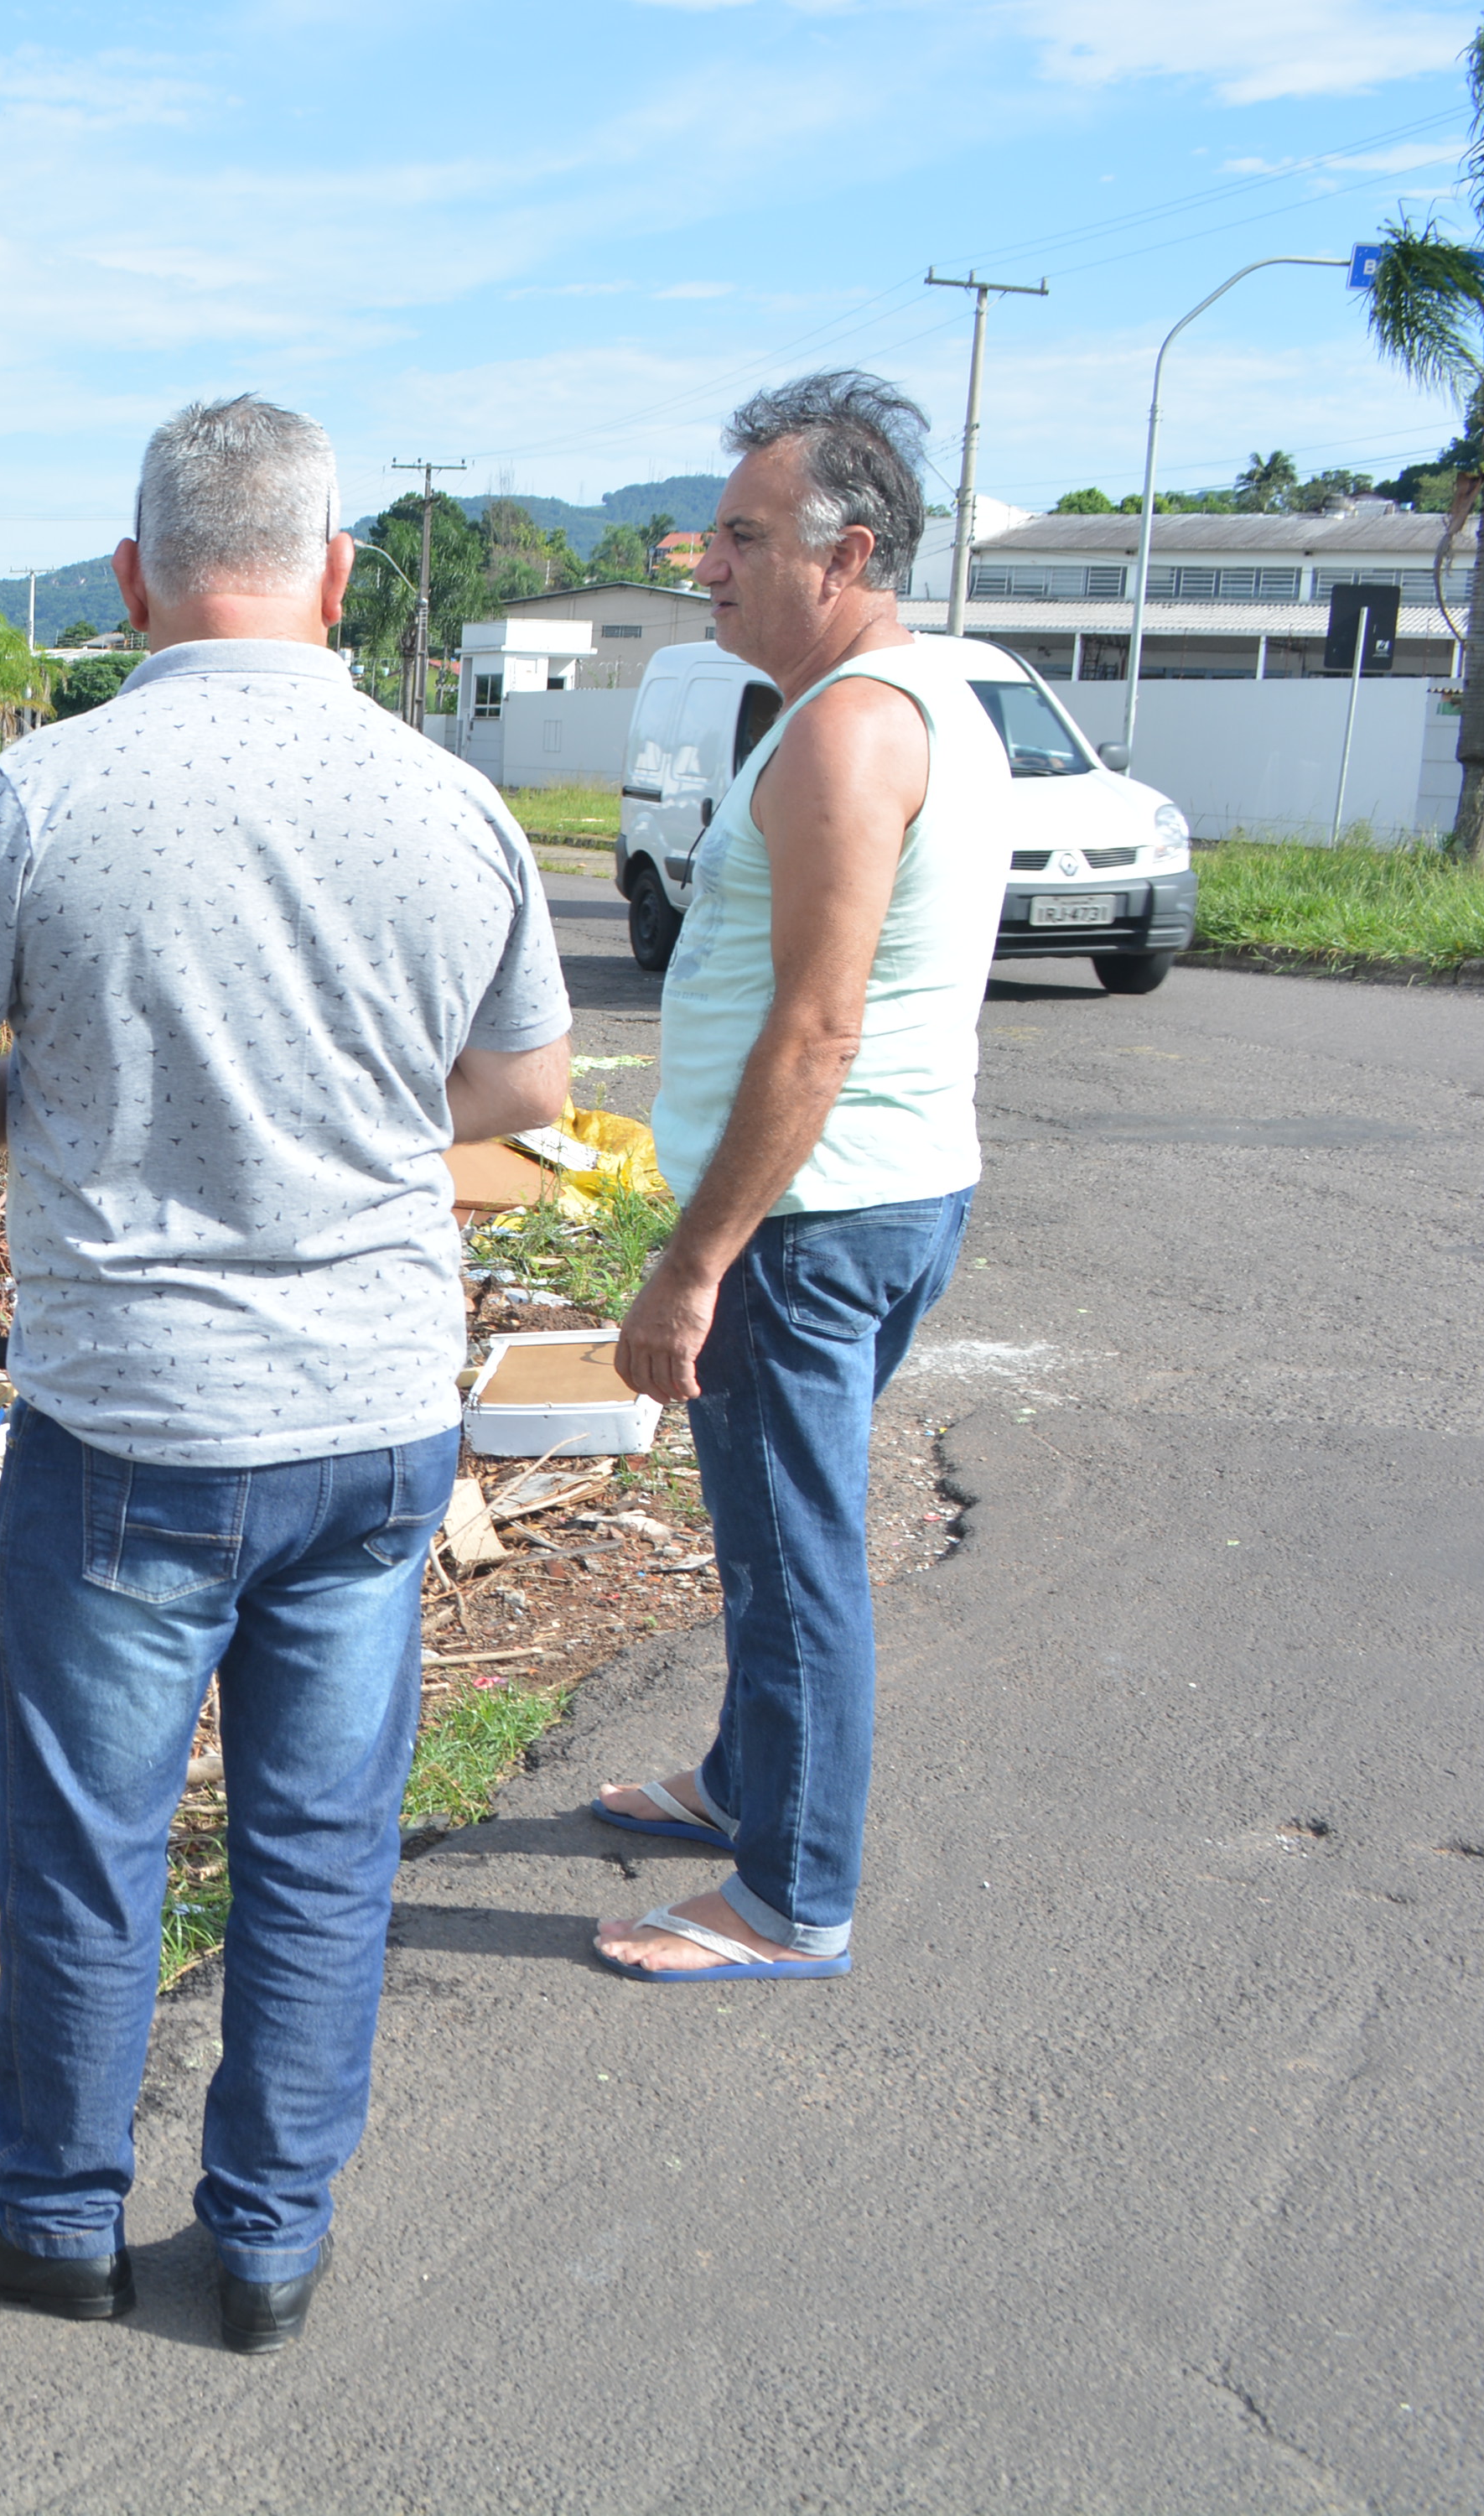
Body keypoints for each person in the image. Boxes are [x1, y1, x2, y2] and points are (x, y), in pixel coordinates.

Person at [0, 395, 570, 2352]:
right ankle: (263, 2245)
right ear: (339, 576)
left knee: (90, 1848)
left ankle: (58, 2228)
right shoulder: (453, 801)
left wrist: (61, 1100)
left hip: (137, 1423)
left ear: (131, 578)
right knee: (321, 1846)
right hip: (376, 1422)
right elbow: (519, 1101)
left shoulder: (43, 791)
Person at [593, 371, 1009, 1982]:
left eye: (745, 537)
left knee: (796, 1554)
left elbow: (817, 1030)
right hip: (880, 1197)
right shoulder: (905, 705)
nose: (710, 565)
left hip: (810, 1220)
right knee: (773, 1535)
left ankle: (790, 1899)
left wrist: (694, 1261)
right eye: (713, 534)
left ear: (847, 558)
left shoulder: (847, 734)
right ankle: (742, 1786)